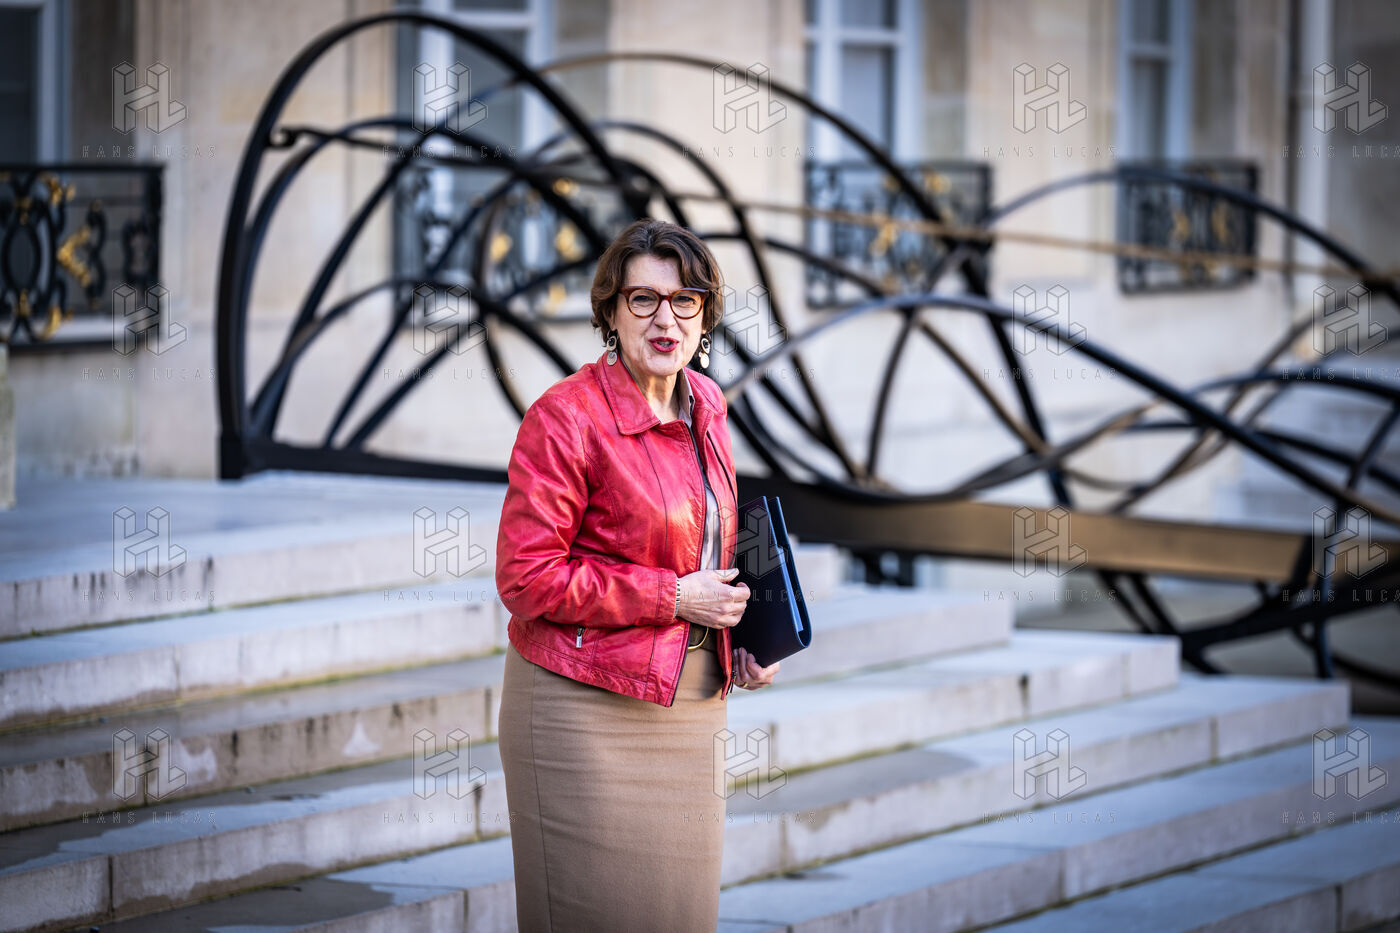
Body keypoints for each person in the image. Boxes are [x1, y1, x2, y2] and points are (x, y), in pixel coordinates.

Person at [494, 217, 781, 931]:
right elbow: (526, 577)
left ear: (704, 316)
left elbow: (710, 540)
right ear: (611, 312)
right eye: (643, 299)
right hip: (582, 708)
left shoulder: (707, 403)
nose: (665, 318)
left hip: (693, 704)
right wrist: (673, 596)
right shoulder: (565, 418)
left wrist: (744, 638)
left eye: (684, 300)